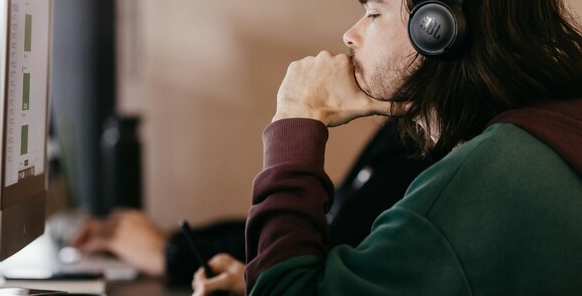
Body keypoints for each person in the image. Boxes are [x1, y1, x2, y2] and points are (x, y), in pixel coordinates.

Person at [244, 0, 582, 296]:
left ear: (436, 29)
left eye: (373, 13)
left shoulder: (479, 181)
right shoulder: (543, 141)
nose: (349, 36)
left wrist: (297, 118)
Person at [71, 118, 431, 288]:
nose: (350, 35)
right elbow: (331, 228)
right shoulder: (408, 127)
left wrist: (298, 111)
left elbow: (321, 260)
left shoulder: (438, 150)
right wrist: (172, 246)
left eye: (374, 12)